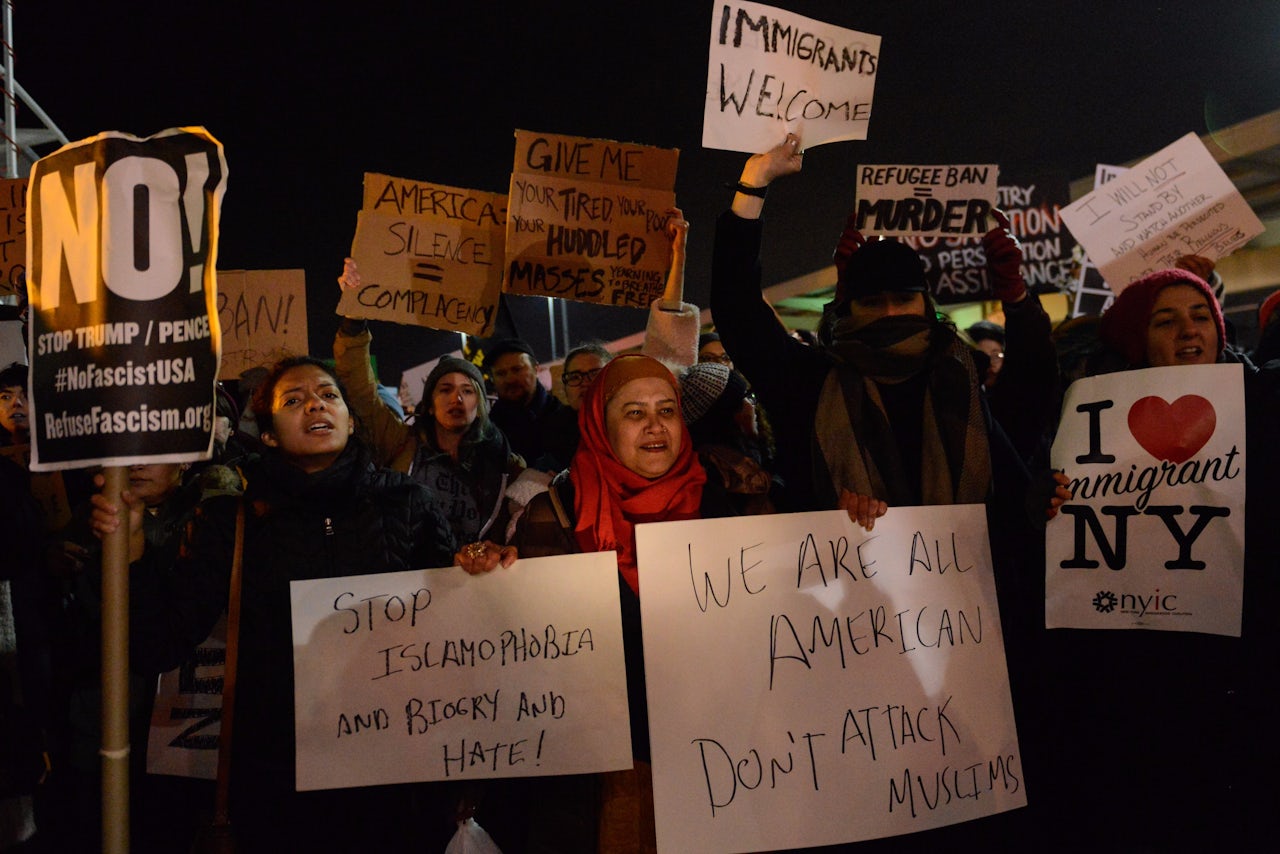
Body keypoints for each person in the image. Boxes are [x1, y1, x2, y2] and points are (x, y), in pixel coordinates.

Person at [91, 356, 513, 851]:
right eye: (293, 400)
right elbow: (156, 645)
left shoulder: (410, 504)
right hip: (279, 783)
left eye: (328, 395)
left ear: (351, 420)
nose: (314, 403)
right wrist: (132, 549)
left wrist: (481, 569)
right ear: (267, 434)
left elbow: (450, 636)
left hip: (396, 779)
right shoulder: (232, 519)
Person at [1039, 266, 1277, 851]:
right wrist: (1045, 497)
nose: (1188, 332)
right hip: (1141, 673)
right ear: (1134, 341)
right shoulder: (1086, 417)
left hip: (1244, 669)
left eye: (1201, 317)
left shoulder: (1264, 399)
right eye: (1165, 322)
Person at [510, 354, 720, 853]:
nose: (654, 427)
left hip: (725, 757)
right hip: (619, 777)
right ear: (600, 424)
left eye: (667, 411)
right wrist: (493, 573)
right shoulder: (556, 512)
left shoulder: (726, 496)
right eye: (634, 413)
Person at [679, 361, 779, 515]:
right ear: (724, 415)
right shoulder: (722, 471)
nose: (751, 406)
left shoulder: (738, 450)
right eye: (744, 398)